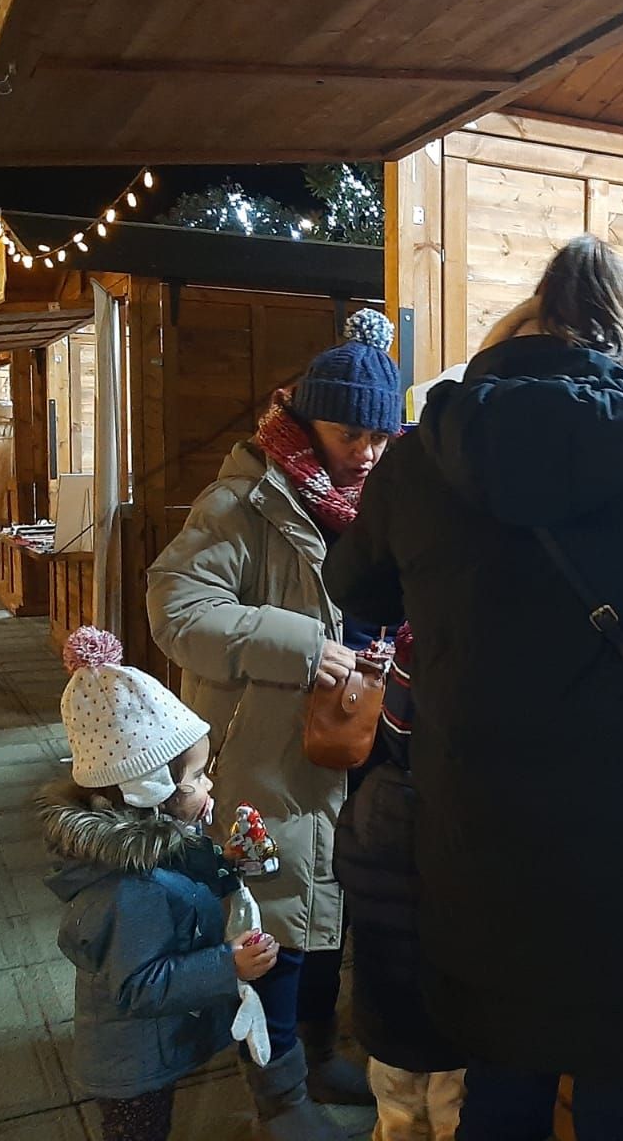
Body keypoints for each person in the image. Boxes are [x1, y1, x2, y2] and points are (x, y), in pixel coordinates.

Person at [324, 235, 623, 1141]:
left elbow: (357, 589)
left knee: (500, 1094)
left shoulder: (422, 459)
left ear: (527, 328)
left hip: (482, 851)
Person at [146, 308, 402, 1138]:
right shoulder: (242, 499)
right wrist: (298, 643)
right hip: (266, 749)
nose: (364, 450)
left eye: (379, 435)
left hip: (353, 735)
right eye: (347, 432)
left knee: (330, 907)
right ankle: (278, 1097)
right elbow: (174, 608)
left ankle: (318, 1051)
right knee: (276, 917)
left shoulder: (374, 497)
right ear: (301, 419)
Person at [39, 625, 281, 1141]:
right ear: (151, 791)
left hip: (150, 1042)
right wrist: (227, 965)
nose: (210, 784)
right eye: (198, 777)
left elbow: (187, 869)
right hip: (131, 1064)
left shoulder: (157, 838)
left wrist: (228, 862)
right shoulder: (131, 890)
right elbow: (138, 984)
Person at [333, 625, 466, 1141]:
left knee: (396, 1113)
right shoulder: (468, 806)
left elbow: (345, 871)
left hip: (386, 1007)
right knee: (453, 1111)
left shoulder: (373, 796)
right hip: (454, 1011)